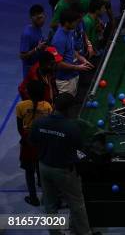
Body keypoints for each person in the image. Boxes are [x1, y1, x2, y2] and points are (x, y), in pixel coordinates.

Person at [30, 93, 99, 235]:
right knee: (76, 204)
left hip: (44, 168)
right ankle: (83, 232)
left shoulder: (39, 122)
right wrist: (84, 157)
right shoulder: (71, 128)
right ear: (70, 109)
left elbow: (32, 142)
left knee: (50, 205)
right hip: (64, 171)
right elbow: (80, 151)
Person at [16, 80, 53, 206]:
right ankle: (46, 194)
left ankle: (33, 198)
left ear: (29, 93)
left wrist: (27, 139)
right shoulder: (47, 106)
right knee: (41, 167)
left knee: (29, 172)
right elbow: (49, 125)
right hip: (42, 143)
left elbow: (20, 128)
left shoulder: (21, 106)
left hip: (28, 143)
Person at [51, 9, 94, 96]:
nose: (76, 24)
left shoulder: (70, 32)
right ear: (67, 23)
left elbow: (71, 50)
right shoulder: (58, 40)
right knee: (66, 105)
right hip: (65, 81)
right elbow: (58, 63)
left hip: (74, 75)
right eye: (74, 22)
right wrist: (77, 67)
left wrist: (82, 59)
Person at [20, 4, 47, 78]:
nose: (41, 20)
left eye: (42, 17)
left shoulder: (38, 28)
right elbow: (22, 56)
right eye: (38, 18)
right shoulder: (27, 34)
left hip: (38, 68)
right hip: (30, 72)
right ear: (31, 18)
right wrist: (37, 49)